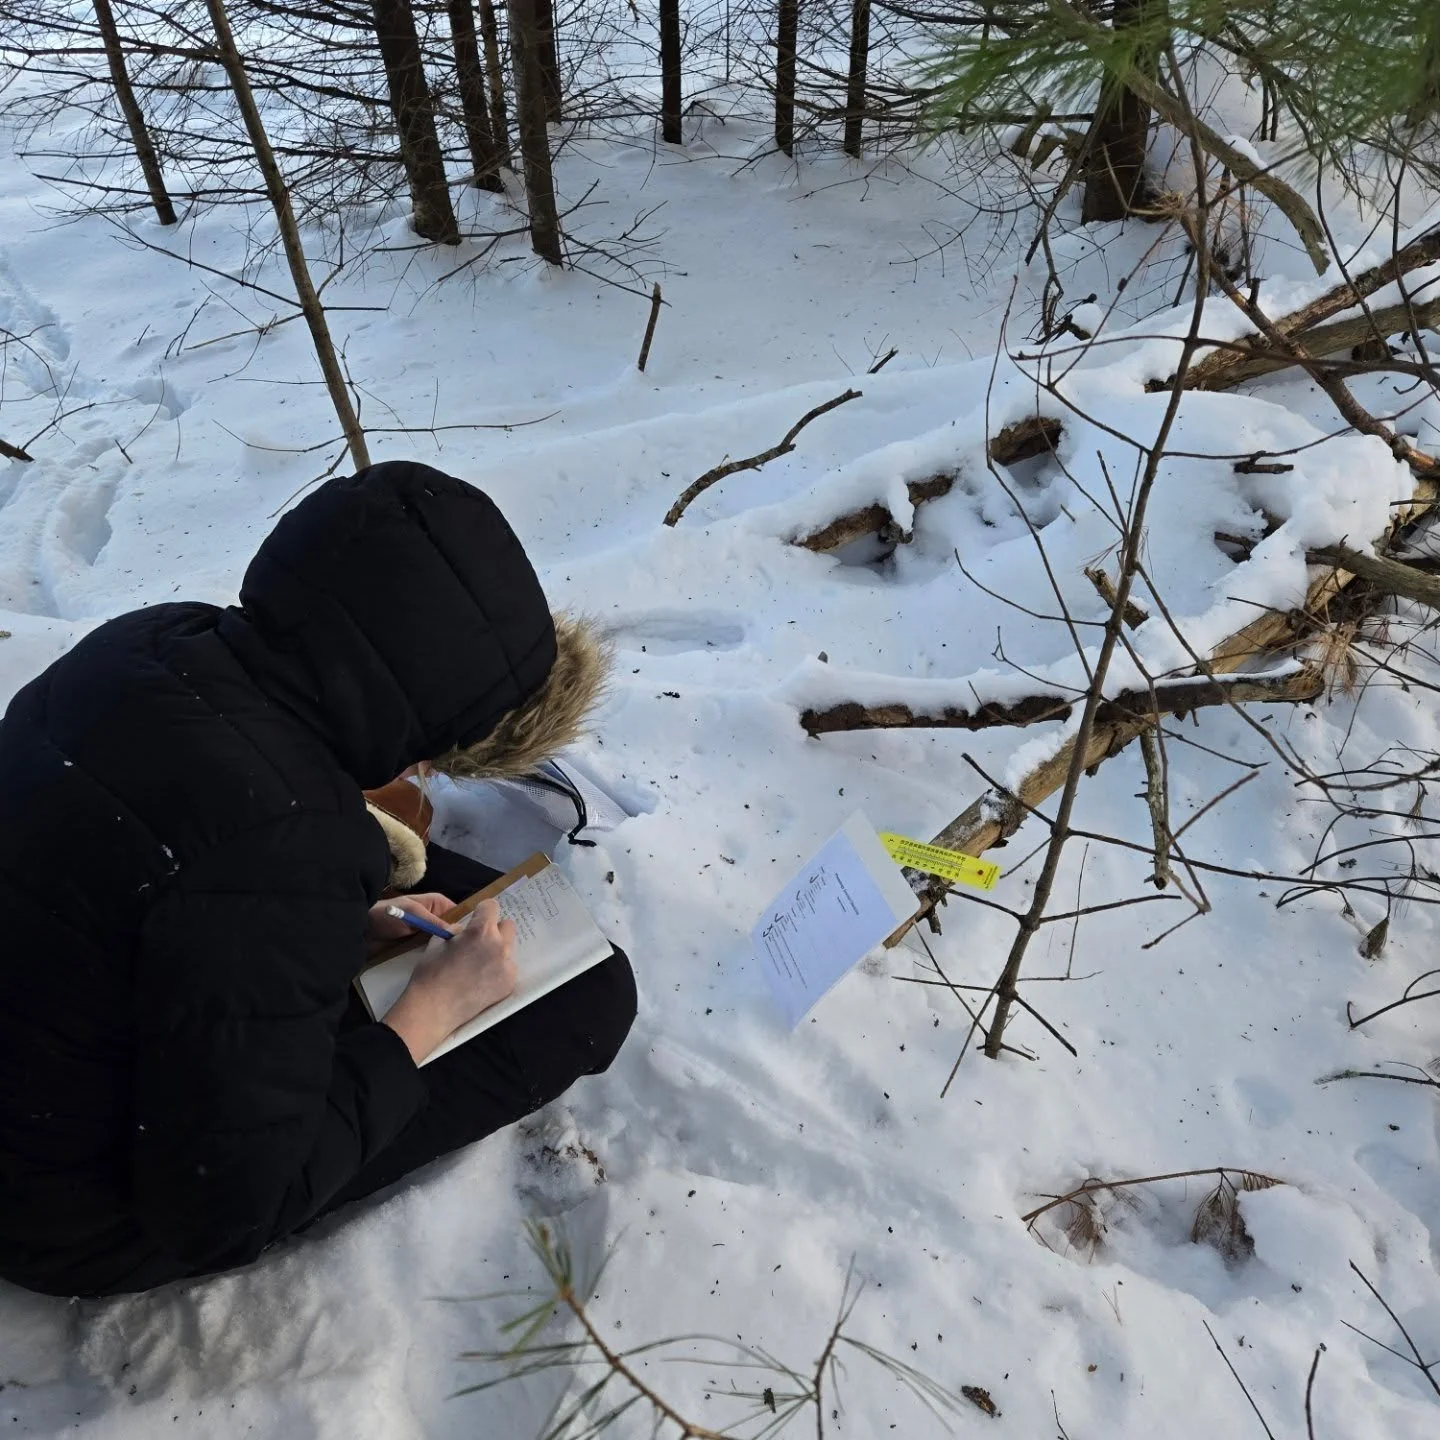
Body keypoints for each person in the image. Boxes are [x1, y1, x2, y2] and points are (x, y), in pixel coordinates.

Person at [0, 461, 636, 1298]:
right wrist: (425, 1017)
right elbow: (226, 1206)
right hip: (59, 1208)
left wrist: (353, 921)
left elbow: (169, 881)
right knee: (588, 997)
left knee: (422, 882)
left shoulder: (153, 639)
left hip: (50, 1047)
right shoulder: (287, 842)